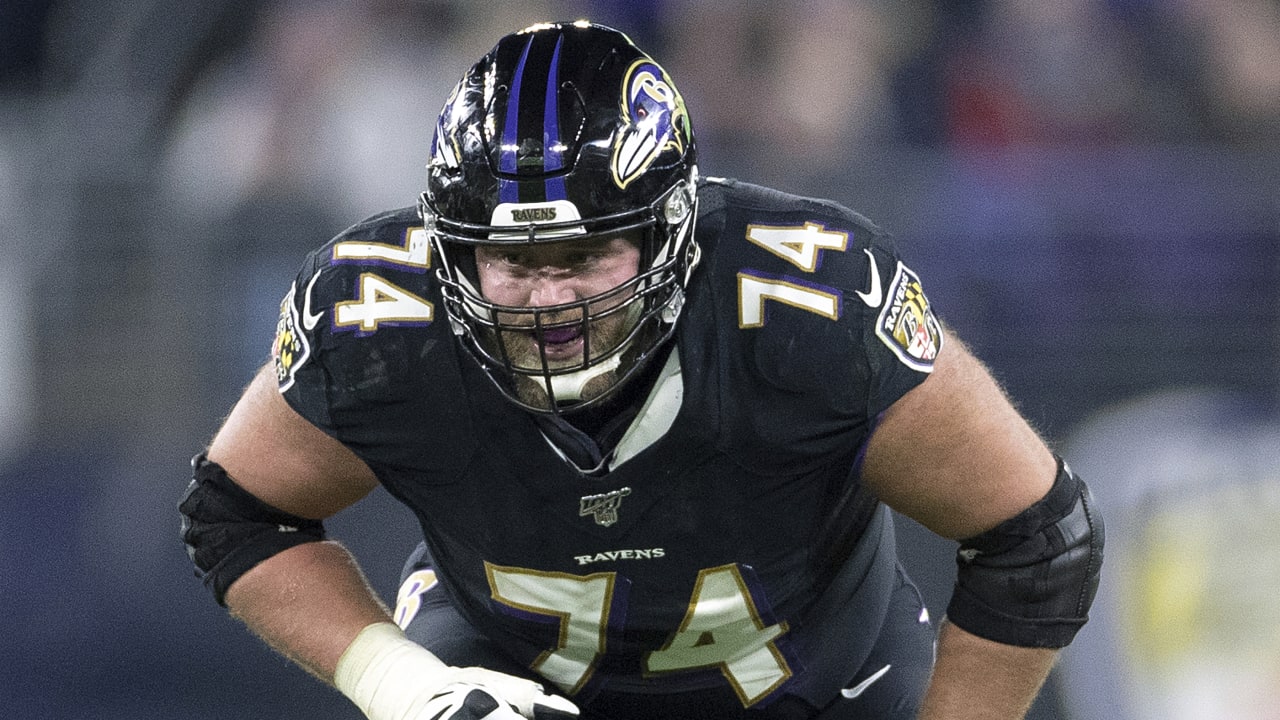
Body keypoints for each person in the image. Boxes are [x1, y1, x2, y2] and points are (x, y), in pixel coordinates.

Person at [179, 21, 1103, 720]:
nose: (547, 302)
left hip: (818, 682)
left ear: (672, 235)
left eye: (581, 258)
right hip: (508, 677)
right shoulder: (381, 319)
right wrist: (399, 682)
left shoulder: (803, 313)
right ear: (451, 252)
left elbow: (1037, 539)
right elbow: (236, 514)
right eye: (513, 262)